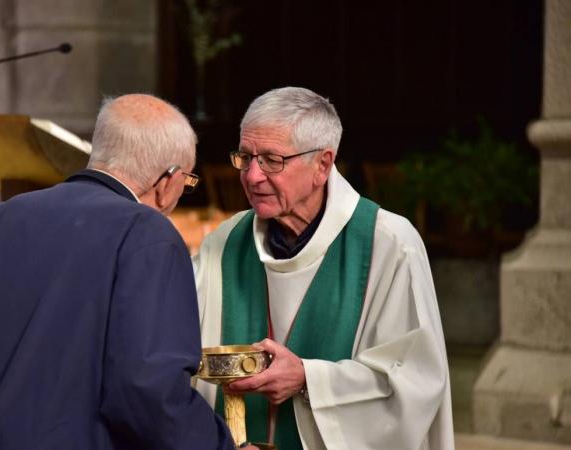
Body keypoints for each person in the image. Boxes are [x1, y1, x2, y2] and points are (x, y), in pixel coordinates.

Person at [0, 94, 237, 450]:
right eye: (187, 182)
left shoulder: (1, 217)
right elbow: (148, 391)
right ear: (167, 180)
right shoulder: (148, 235)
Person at [193, 87, 455, 450]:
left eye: (271, 159)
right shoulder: (223, 243)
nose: (252, 176)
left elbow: (414, 383)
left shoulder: (388, 243)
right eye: (246, 157)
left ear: (322, 164)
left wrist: (307, 378)